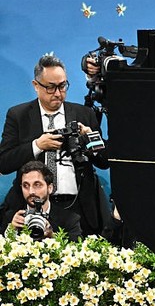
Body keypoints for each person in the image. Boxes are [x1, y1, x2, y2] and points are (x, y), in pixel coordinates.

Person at [0, 53, 108, 236]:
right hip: (33, 209)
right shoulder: (18, 115)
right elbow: (4, 163)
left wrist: (91, 139)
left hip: (80, 208)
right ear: (36, 86)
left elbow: (104, 161)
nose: (58, 93)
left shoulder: (84, 114)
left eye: (62, 86)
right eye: (50, 88)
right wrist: (37, 146)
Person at [0, 160, 82, 240]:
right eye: (26, 186)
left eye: (37, 185)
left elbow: (77, 247)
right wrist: (11, 231)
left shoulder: (70, 220)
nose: (31, 191)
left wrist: (53, 237)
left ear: (50, 188)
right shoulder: (10, 217)